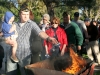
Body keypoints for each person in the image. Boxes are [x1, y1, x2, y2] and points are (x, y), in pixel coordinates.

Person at [6, 7, 58, 75]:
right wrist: (7, 40)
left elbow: (40, 32)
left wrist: (48, 38)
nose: (26, 16)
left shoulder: (32, 24)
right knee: (10, 73)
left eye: (27, 14)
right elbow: (6, 35)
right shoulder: (14, 24)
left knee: (24, 73)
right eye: (24, 14)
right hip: (12, 54)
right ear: (20, 14)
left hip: (25, 56)